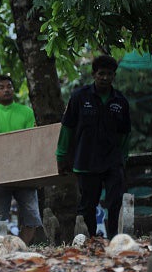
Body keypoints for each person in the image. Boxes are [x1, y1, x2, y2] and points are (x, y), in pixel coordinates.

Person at [56, 55, 131, 239]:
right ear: (93, 74)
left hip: (112, 160)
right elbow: (67, 129)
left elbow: (125, 134)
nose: (105, 78)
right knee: (88, 204)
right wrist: (61, 155)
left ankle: (114, 238)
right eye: (101, 74)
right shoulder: (79, 97)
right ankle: (91, 240)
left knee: (115, 201)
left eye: (109, 74)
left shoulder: (120, 102)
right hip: (86, 160)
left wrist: (123, 159)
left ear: (114, 76)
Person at [0, 74, 42, 245]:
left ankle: (20, 249)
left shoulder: (26, 112)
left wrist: (38, 171)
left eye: (9, 86)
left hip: (25, 173)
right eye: (1, 87)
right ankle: (2, 252)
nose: (6, 90)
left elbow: (32, 142)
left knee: (32, 217)